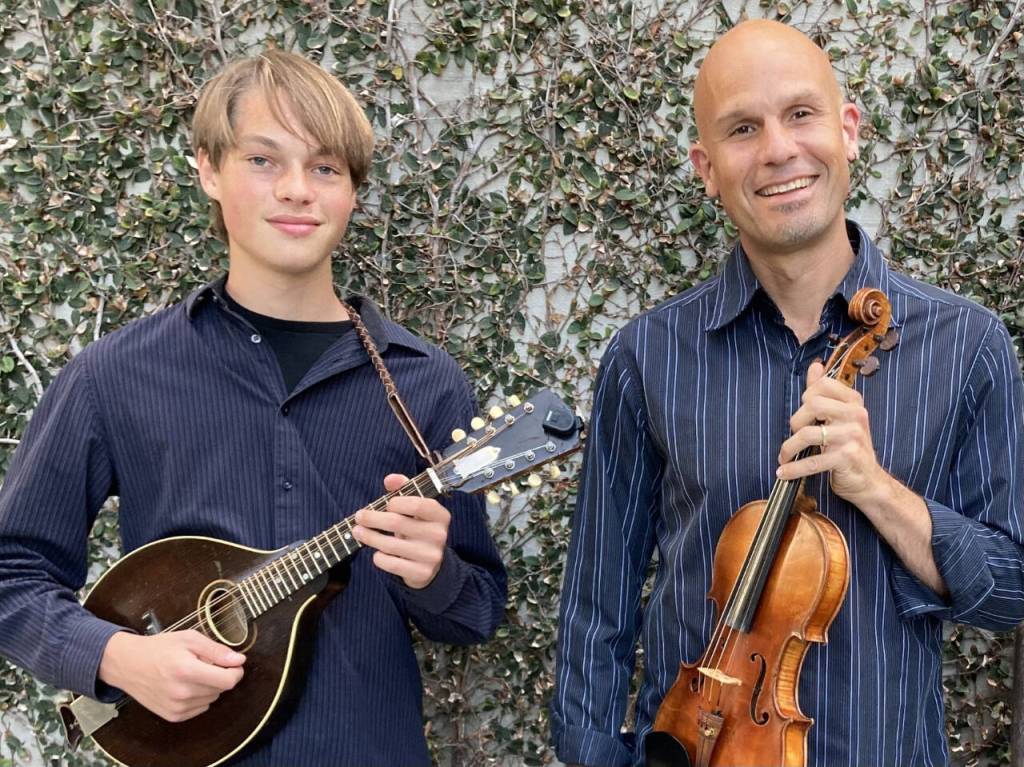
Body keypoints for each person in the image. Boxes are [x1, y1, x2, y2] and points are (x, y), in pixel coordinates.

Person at [0, 49, 506, 766]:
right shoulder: (113, 376)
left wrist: (437, 573)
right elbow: (11, 570)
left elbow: (479, 610)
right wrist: (114, 656)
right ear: (207, 168)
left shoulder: (425, 383)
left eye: (326, 167)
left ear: (353, 191)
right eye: (264, 160)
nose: (297, 190)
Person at [551, 19, 1024, 767]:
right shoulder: (649, 355)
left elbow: (1010, 591)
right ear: (707, 167)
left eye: (800, 114)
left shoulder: (969, 345)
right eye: (743, 128)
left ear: (848, 130)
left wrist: (875, 488)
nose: (777, 150)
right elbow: (595, 608)